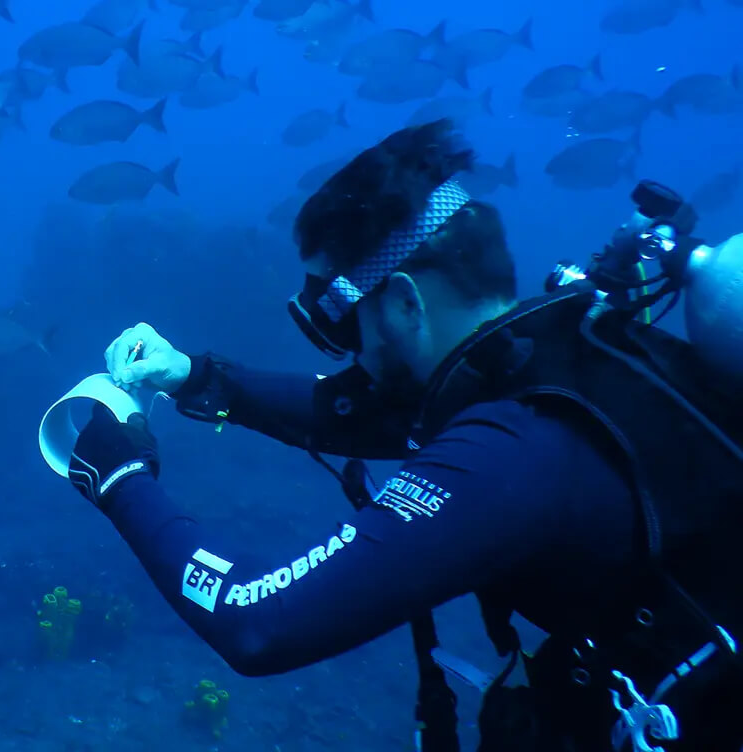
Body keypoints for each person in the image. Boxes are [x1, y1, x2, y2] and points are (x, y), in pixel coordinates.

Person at [62, 119, 743, 752]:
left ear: (408, 303)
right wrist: (194, 377)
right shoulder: (572, 354)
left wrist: (121, 479)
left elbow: (255, 620)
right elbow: (362, 412)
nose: (352, 358)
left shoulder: (515, 453)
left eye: (350, 328)